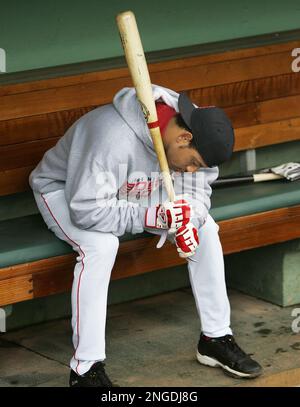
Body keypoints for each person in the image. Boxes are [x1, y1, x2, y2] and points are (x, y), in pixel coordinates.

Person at [29, 84, 262, 387]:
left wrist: (188, 218)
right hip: (67, 190)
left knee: (206, 229)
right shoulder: (113, 137)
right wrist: (149, 217)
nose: (192, 171)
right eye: (192, 162)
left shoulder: (194, 133)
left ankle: (215, 338)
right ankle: (85, 369)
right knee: (101, 245)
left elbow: (198, 191)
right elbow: (86, 210)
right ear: (183, 137)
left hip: (133, 187)